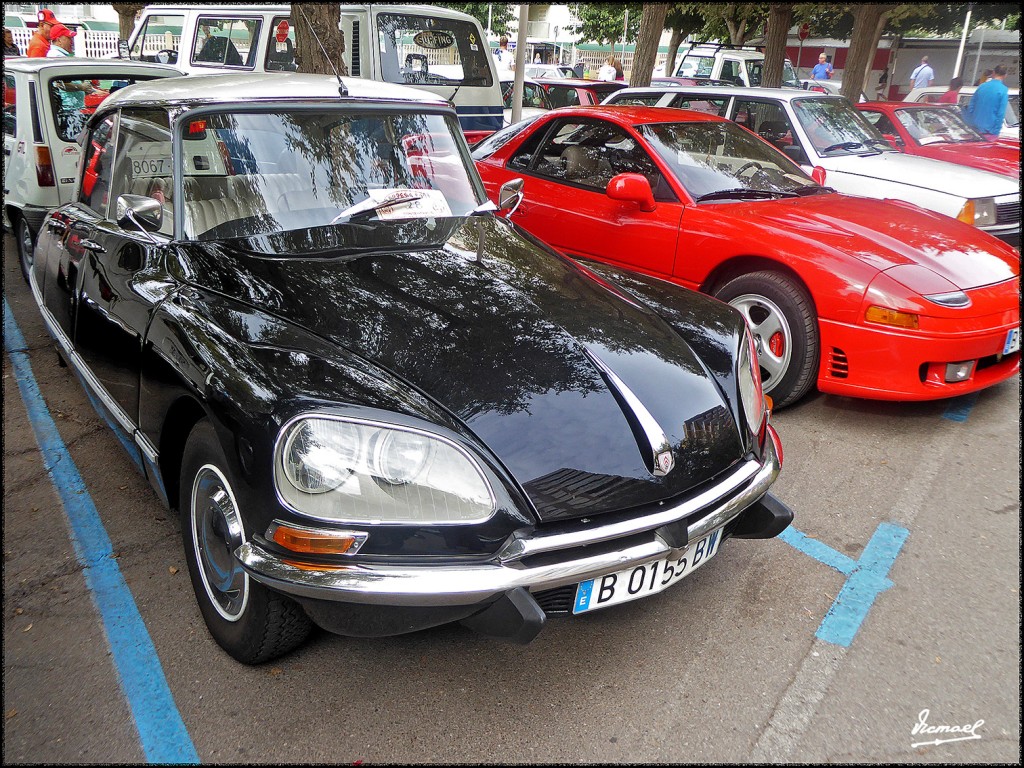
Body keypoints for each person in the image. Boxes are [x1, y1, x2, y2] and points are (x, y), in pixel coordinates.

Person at [963, 64, 1009, 139]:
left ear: (993, 72)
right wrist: (996, 132)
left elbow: (971, 106)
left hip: (975, 129)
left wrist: (970, 123)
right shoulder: (1003, 90)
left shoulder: (982, 86)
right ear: (1005, 75)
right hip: (990, 131)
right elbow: (1000, 113)